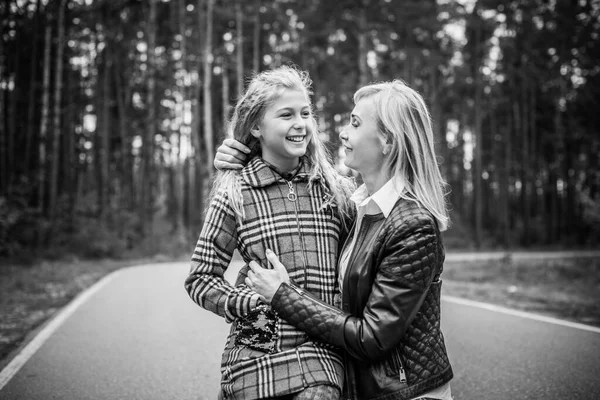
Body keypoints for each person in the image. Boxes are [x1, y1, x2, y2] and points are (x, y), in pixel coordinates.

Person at [215, 80, 454, 400]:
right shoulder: (357, 209)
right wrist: (242, 156)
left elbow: (372, 338)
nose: (343, 132)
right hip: (364, 387)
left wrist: (282, 295)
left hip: (406, 392)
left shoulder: (413, 227)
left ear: (388, 141)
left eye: (355, 123)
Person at [185, 65, 356, 400]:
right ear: (257, 127)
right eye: (286, 114)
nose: (300, 124)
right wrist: (249, 302)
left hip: (319, 351)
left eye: (306, 113)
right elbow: (200, 278)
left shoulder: (336, 190)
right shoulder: (236, 192)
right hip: (255, 352)